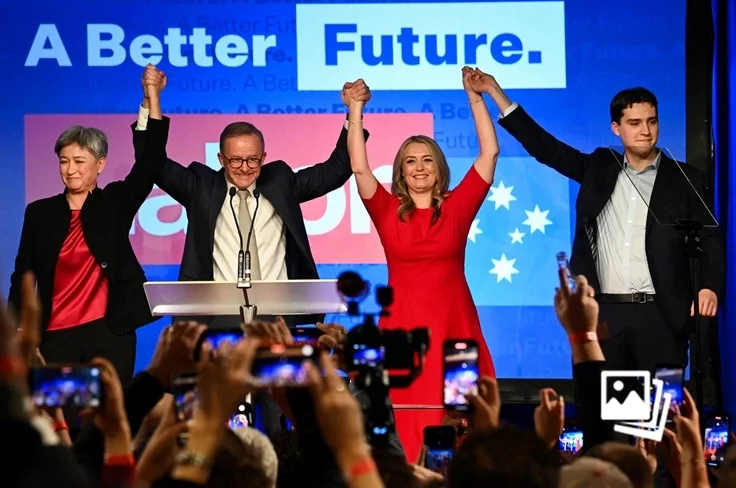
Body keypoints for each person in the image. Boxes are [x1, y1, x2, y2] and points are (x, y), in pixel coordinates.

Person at [479, 75, 724, 375]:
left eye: (652, 121)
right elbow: (545, 147)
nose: (645, 131)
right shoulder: (599, 167)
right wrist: (494, 92)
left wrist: (710, 287)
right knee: (607, 416)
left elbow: (711, 239)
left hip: (661, 317)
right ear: (616, 128)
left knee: (663, 416)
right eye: (634, 123)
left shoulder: (686, 178)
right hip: (605, 315)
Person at [133, 67, 368, 329]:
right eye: (235, 160)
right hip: (218, 319)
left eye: (253, 159)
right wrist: (151, 100)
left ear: (263, 157)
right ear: (221, 159)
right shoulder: (200, 187)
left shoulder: (280, 181)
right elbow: (151, 163)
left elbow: (334, 172)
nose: (245, 167)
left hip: (279, 318)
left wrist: (354, 112)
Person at [345, 68, 500, 460]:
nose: (418, 167)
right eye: (410, 161)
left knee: (458, 429)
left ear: (438, 167)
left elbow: (489, 153)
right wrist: (355, 110)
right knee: (402, 431)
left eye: (426, 160)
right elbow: (360, 167)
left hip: (455, 332)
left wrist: (476, 98)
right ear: (400, 171)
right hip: (402, 336)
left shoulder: (457, 208)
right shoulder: (385, 211)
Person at [8, 67, 170, 384]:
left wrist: (151, 97)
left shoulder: (114, 203)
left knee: (109, 419)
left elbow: (150, 161)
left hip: (109, 332)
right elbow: (23, 274)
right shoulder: (39, 212)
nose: (70, 170)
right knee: (63, 420)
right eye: (64, 161)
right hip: (54, 335)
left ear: (100, 164)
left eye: (79, 161)